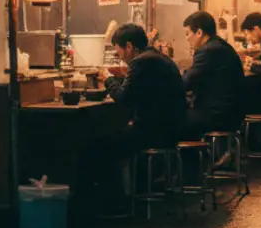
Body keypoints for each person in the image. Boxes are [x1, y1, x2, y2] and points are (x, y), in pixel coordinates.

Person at [89, 24, 186, 211]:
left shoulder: (141, 62)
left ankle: (111, 205)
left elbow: (124, 98)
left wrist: (108, 79)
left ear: (129, 46)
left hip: (155, 133)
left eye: (119, 53)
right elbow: (137, 91)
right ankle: (129, 195)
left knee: (98, 147)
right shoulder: (159, 58)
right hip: (171, 130)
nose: (120, 58)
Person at [181, 11, 245, 139]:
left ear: (199, 33)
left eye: (188, 33)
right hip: (231, 111)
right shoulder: (220, 46)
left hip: (218, 114)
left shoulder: (208, 51)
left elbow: (187, 82)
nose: (187, 38)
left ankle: (190, 157)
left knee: (170, 118)